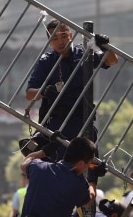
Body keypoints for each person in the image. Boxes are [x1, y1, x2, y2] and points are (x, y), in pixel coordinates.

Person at [24, 19, 118, 161]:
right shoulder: (46, 61)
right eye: (54, 38)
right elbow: (29, 94)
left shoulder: (83, 53)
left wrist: (104, 46)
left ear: (70, 35)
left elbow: (112, 61)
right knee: (58, 166)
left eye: (63, 36)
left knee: (89, 166)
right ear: (50, 42)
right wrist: (45, 91)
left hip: (82, 120)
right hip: (56, 124)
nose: (60, 41)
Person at [19, 137, 96, 217]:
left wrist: (45, 151)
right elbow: (89, 201)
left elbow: (24, 163)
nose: (88, 167)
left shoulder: (39, 167)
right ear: (81, 164)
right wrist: (93, 181)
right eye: (89, 164)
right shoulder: (78, 185)